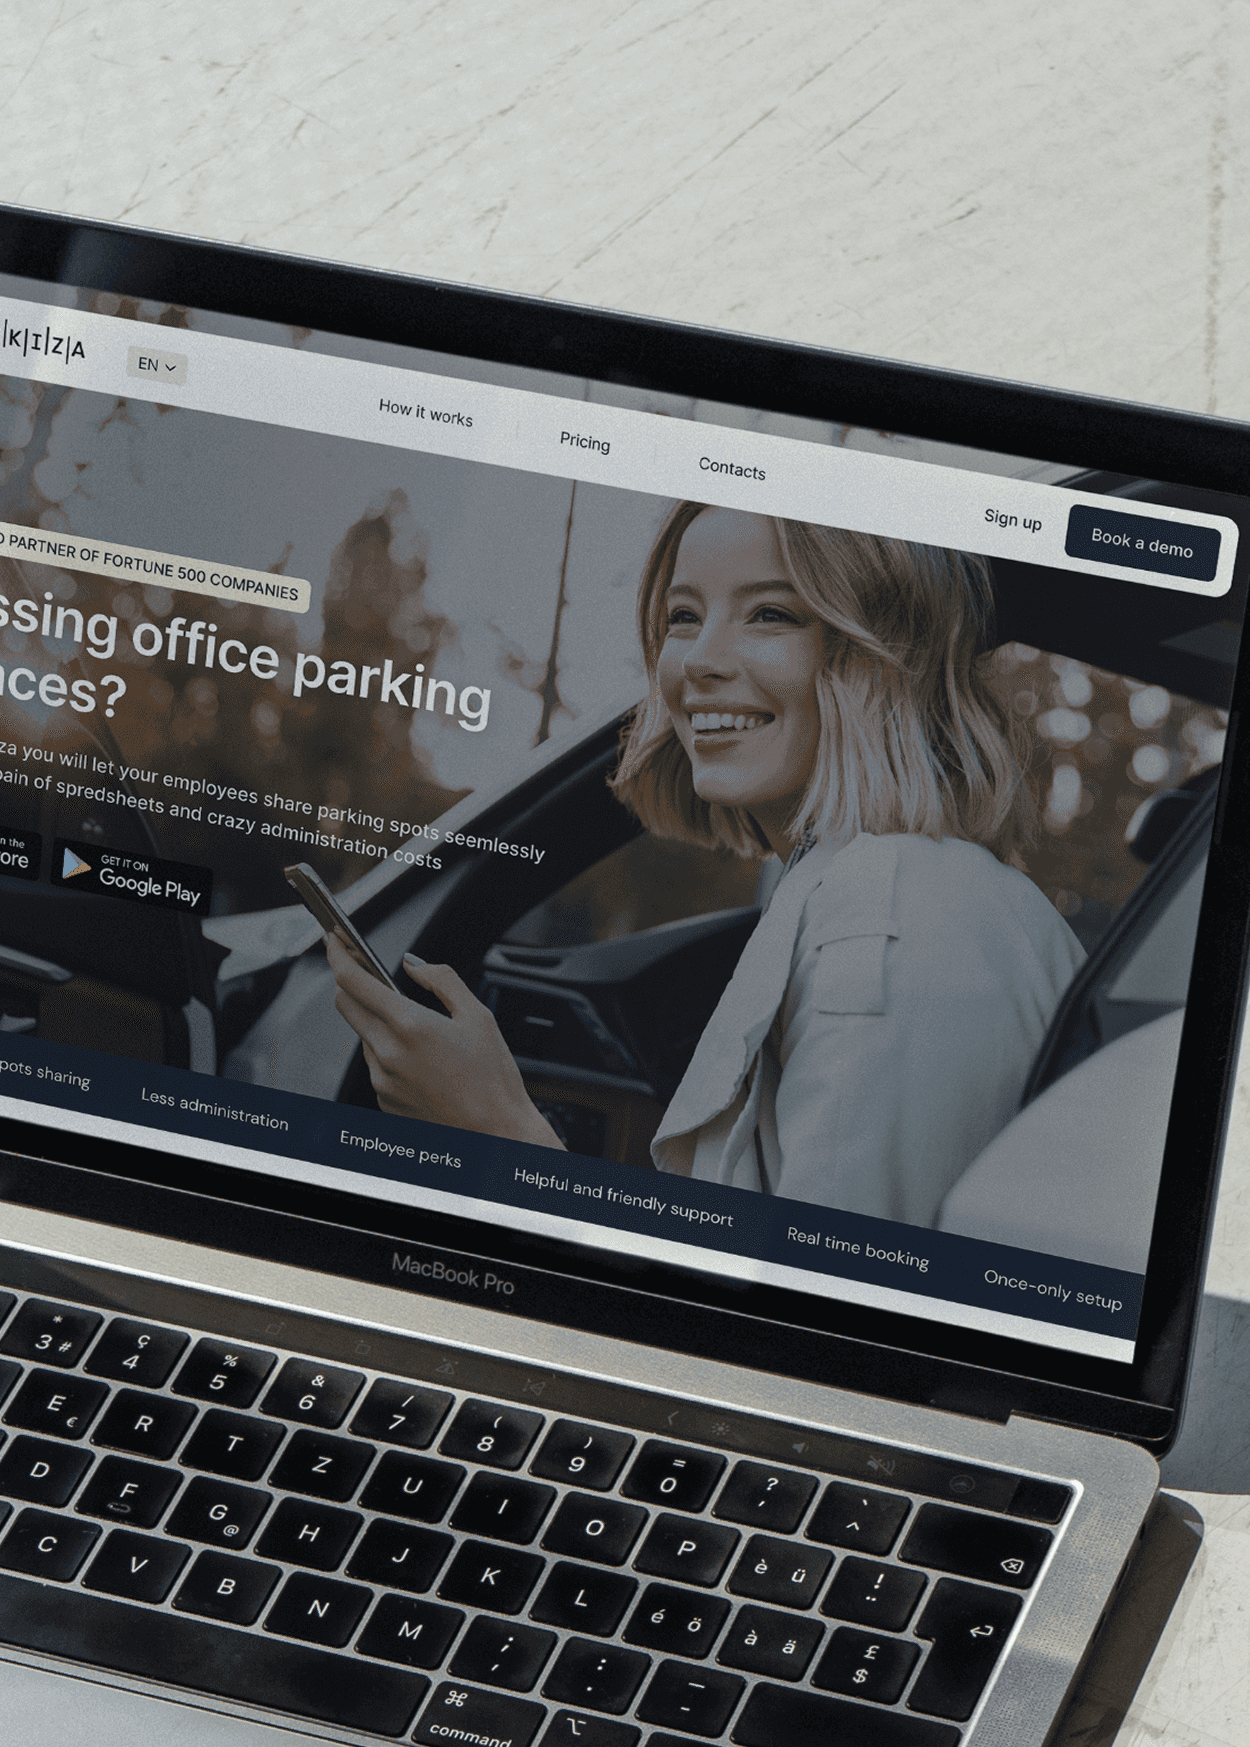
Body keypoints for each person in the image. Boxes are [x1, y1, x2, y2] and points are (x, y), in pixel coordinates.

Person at [329, 502, 1082, 1228]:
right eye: (683, 618)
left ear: (880, 656)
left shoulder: (900, 912)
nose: (699, 661)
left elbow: (800, 1332)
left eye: (772, 614)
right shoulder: (864, 887)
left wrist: (493, 1126)